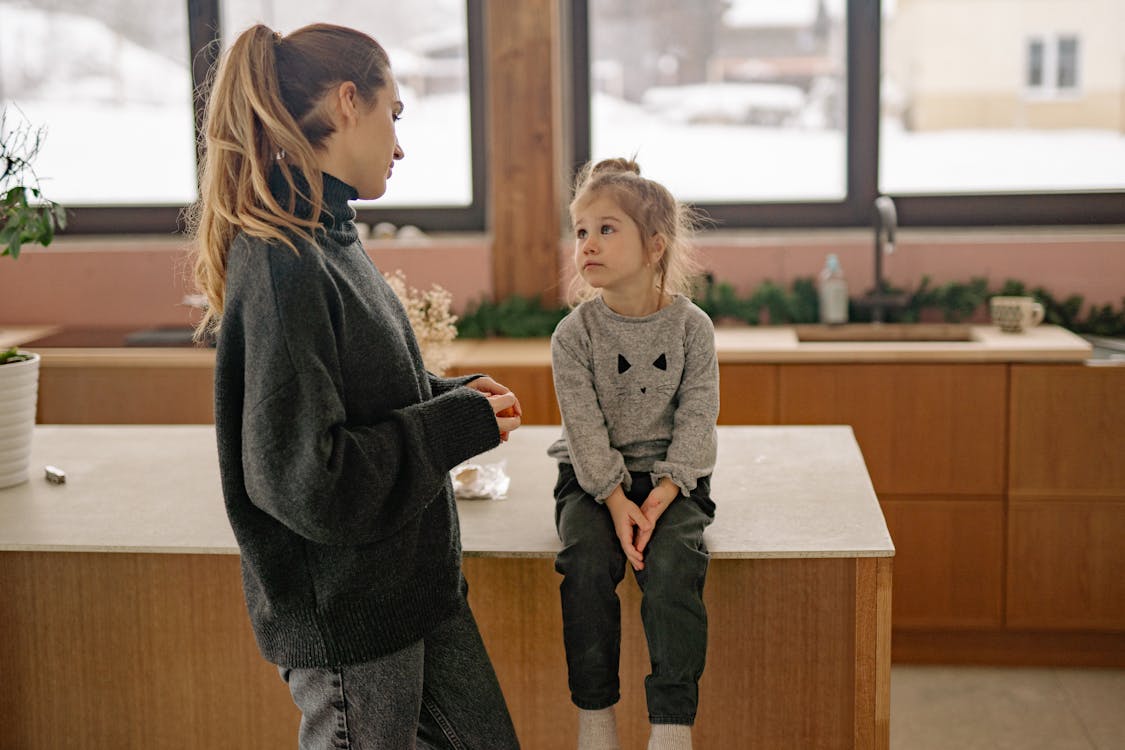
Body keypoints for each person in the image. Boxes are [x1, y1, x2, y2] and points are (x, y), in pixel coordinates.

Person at [188, 23, 522, 749]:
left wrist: (453, 397)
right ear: (346, 103)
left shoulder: (328, 238)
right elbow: (310, 479)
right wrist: (450, 425)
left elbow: (366, 394)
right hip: (353, 622)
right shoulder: (283, 261)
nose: (398, 145)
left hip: (410, 593)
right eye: (392, 114)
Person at [548, 158, 719, 750]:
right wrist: (616, 500)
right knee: (586, 563)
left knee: (673, 568)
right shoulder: (574, 336)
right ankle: (596, 719)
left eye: (607, 228)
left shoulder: (693, 328)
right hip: (594, 480)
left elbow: (699, 420)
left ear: (655, 247)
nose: (588, 243)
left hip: (674, 478)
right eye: (580, 231)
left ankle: (671, 728)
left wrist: (667, 490)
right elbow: (585, 430)